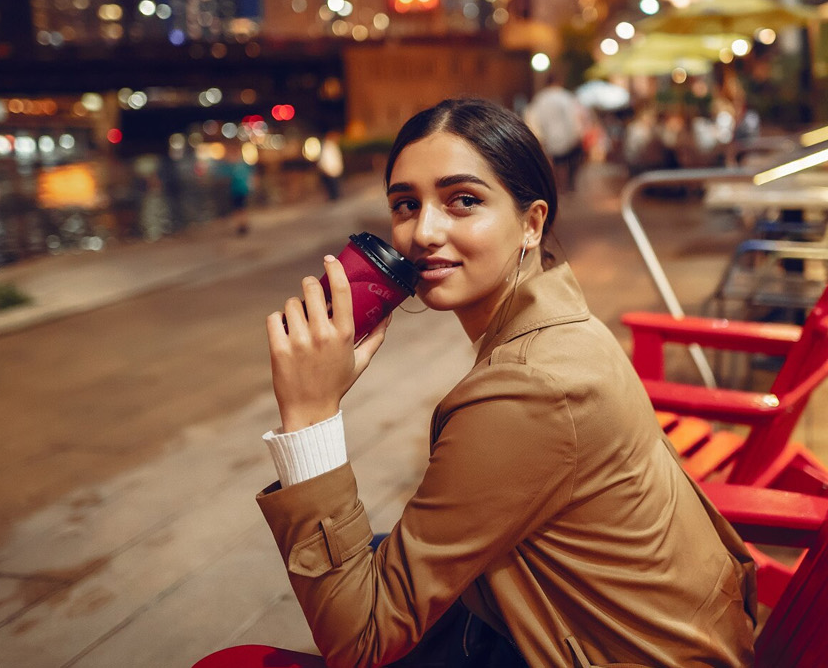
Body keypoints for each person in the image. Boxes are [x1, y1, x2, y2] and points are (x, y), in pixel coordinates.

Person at [257, 98, 756, 667]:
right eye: (405, 205)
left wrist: (309, 417)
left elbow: (361, 640)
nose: (423, 231)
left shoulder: (528, 388)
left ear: (531, 222)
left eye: (463, 201)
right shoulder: (560, 325)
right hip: (613, 627)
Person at [522, 76, 587, 193]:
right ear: (559, 82)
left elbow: (533, 118)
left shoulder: (540, 98)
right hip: (568, 138)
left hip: (549, 139)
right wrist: (577, 133)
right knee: (570, 162)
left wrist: (538, 136)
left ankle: (557, 185)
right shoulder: (566, 97)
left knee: (555, 164)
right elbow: (574, 117)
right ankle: (569, 185)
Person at [317, 130, 345, 201]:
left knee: (335, 185)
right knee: (332, 186)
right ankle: (334, 197)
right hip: (330, 170)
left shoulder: (332, 146)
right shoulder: (327, 147)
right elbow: (326, 160)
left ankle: (335, 196)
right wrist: (328, 169)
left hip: (334, 169)